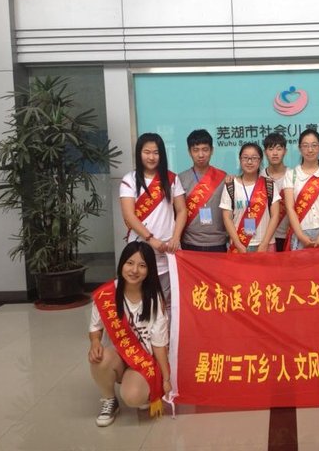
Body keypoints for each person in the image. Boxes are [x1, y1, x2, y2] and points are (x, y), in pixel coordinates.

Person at [88, 242, 171, 427]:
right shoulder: (106, 295)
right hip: (118, 356)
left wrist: (165, 379)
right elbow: (95, 327)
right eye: (130, 263)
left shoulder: (154, 299)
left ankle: (141, 387)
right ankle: (109, 400)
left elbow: (159, 344)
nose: (134, 270)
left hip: (143, 360)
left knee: (134, 397)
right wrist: (95, 343)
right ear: (122, 264)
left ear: (149, 270)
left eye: (142, 265)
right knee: (99, 359)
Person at [120, 133, 187, 303]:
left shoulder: (172, 179)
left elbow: (181, 210)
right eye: (147, 152)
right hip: (140, 247)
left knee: (167, 299)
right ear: (139, 153)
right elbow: (129, 215)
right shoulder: (129, 180)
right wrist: (151, 239)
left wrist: (176, 238)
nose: (151, 157)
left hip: (168, 248)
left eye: (156, 153)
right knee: (140, 296)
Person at [283, 129, 319, 250]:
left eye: (314, 145)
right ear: (299, 148)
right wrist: (301, 236)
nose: (310, 150)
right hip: (301, 234)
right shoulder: (291, 175)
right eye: (305, 146)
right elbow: (289, 208)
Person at [220, 142, 281, 252]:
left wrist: (265, 243)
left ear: (260, 160)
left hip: (265, 245)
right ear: (240, 160)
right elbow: (227, 218)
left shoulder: (269, 185)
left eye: (254, 158)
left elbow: (275, 215)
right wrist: (238, 244)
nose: (249, 162)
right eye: (245, 158)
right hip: (239, 246)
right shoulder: (231, 185)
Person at [178, 129, 228, 252]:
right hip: (189, 242)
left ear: (212, 151)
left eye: (205, 149)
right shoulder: (180, 179)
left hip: (218, 242)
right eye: (196, 150)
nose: (201, 155)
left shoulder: (223, 178)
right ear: (189, 152)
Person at [261, 132, 289, 251]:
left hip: (288, 236)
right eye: (271, 149)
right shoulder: (259, 177)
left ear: (285, 151)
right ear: (265, 152)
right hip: (265, 237)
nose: (275, 153)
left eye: (279, 149)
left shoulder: (293, 176)